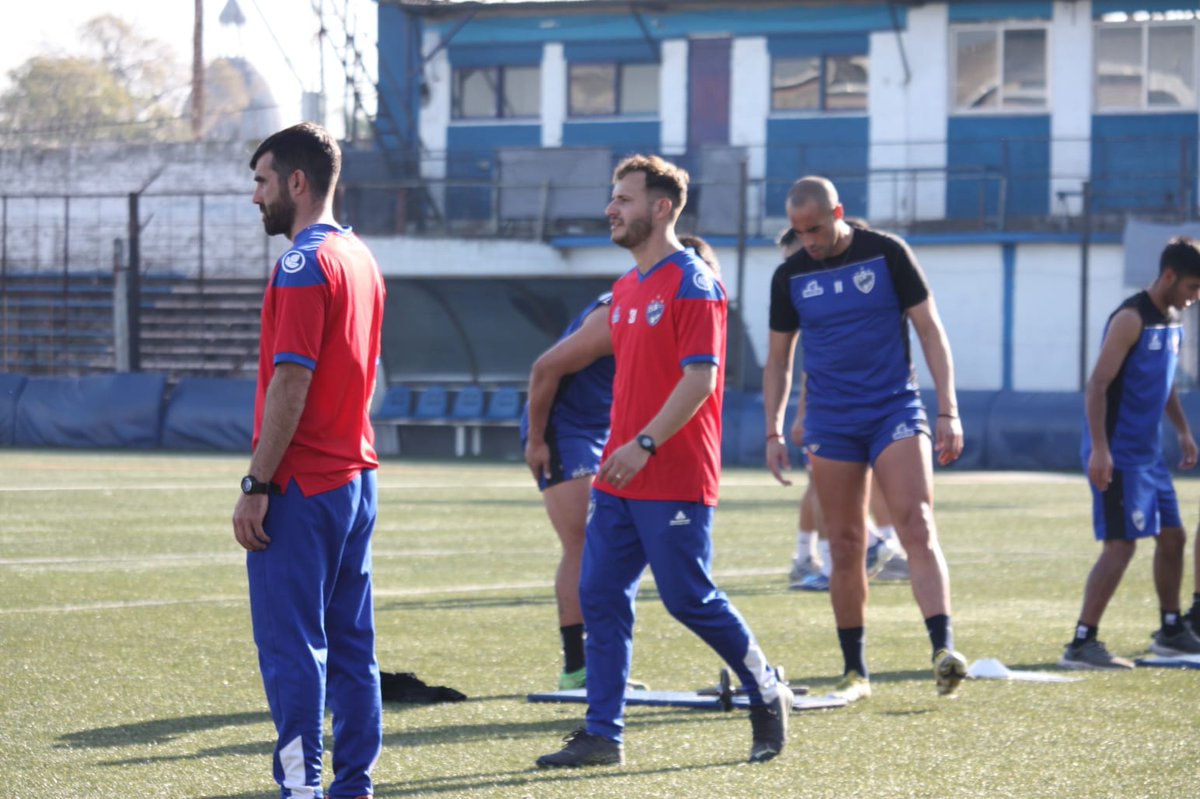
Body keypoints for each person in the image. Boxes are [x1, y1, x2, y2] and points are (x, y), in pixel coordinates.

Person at [536, 156, 792, 768]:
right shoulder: (625, 289)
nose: (611, 209)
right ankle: (603, 733)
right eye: (612, 198)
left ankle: (765, 686)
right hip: (619, 479)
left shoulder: (694, 282)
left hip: (672, 474)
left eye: (624, 198)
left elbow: (701, 379)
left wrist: (644, 443)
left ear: (662, 208)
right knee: (599, 592)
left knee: (688, 598)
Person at [763, 176, 967, 703]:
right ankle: (855, 670)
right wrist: (773, 428)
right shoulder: (790, 276)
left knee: (916, 522)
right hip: (832, 421)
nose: (808, 240)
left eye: (815, 228)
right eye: (799, 231)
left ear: (839, 212)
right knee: (847, 543)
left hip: (893, 408)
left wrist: (948, 409)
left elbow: (930, 329)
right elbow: (780, 360)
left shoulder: (887, 253)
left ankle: (942, 650)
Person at [232, 122, 385, 799]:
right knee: (353, 648)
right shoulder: (360, 256)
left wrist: (257, 481)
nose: (256, 196)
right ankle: (354, 786)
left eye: (262, 181)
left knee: (293, 647)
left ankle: (300, 789)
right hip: (354, 477)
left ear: (297, 182)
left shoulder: (301, 263)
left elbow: (291, 382)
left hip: (302, 482)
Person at [523, 236, 721, 691]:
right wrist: (536, 439)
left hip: (605, 427)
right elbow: (545, 368)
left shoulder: (678, 299)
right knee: (586, 543)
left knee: (604, 546)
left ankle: (599, 669)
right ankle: (578, 670)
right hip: (566, 427)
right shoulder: (621, 308)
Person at [1059, 237, 1200, 670]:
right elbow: (1097, 384)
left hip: (1149, 455)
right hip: (1117, 453)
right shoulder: (1130, 318)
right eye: (1193, 286)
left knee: (1173, 537)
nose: (1197, 296)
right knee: (1120, 546)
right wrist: (1100, 449)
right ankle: (1083, 641)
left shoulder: (1173, 319)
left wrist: (1182, 432)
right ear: (1170, 276)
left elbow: (1164, 384)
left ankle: (1172, 629)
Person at [778, 227, 907, 592]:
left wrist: (802, 413)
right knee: (819, 482)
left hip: (848, 408)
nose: (794, 267)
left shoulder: (844, 288)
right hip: (833, 408)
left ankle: (867, 549)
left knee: (832, 483)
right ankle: (827, 555)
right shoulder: (804, 290)